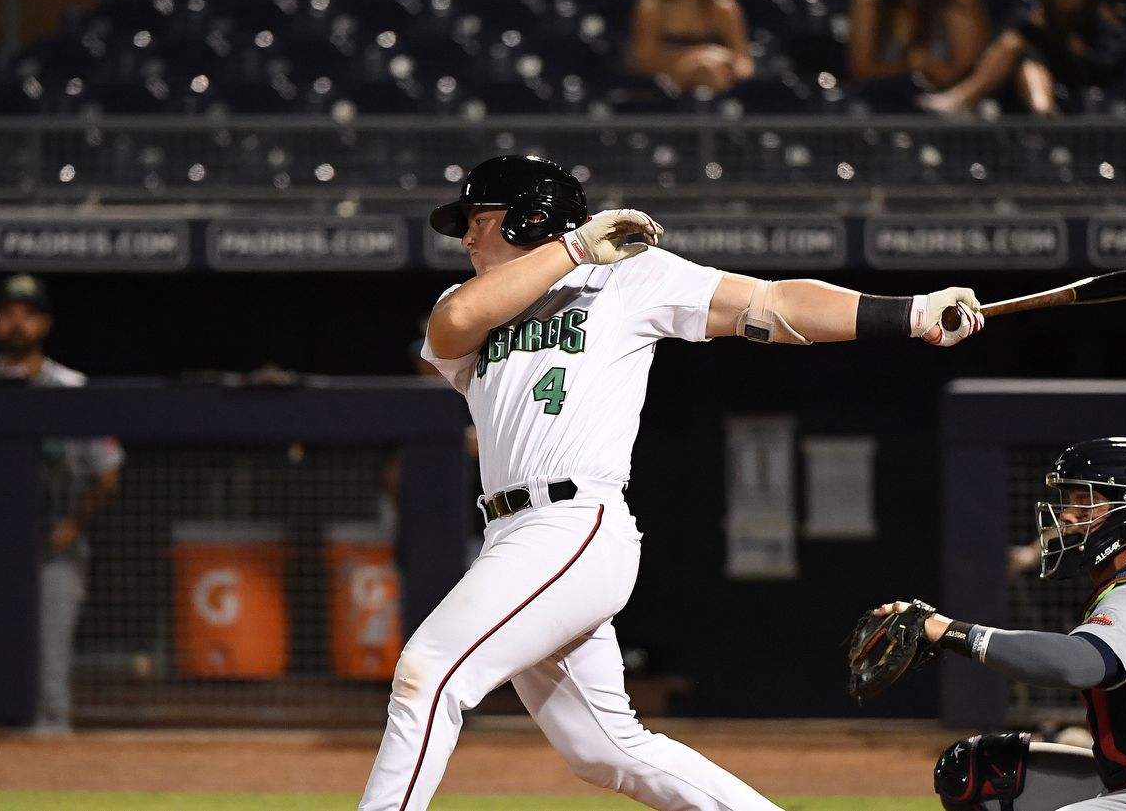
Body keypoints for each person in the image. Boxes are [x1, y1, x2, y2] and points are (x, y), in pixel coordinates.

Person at [357, 154, 985, 811]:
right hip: (512, 534)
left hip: (574, 523)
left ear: (529, 218)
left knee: (428, 673)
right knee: (608, 749)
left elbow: (772, 303)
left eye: (478, 219)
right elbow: (451, 324)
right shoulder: (469, 307)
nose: (465, 237)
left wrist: (910, 312)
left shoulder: (629, 277)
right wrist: (573, 247)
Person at [873, 437, 1126, 811]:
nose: (1067, 516)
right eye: (1068, 500)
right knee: (975, 772)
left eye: (1085, 501)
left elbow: (1076, 664)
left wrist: (950, 632)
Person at [0, 274, 124, 732]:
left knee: (50, 677)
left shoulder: (72, 387)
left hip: (53, 539)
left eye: (28, 314)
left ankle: (51, 758)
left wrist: (75, 522)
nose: (17, 323)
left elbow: (107, 472)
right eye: (8, 313)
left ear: (44, 324)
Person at [920, 0, 1126, 116]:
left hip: (1080, 100)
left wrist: (1072, 51)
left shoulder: (1105, 28)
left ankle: (963, 99)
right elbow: (1006, 43)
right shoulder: (1033, 16)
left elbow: (1103, 71)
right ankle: (1043, 114)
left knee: (1018, 45)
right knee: (1023, 51)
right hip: (1020, 100)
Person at [847, 0, 987, 106]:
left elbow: (963, 75)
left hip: (944, 104)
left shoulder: (956, 3)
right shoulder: (869, 1)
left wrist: (928, 66)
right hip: (881, 101)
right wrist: (909, 66)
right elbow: (861, 70)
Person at [629, 0, 754, 94]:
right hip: (667, 90)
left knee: (712, 72)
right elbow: (644, 62)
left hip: (719, 82)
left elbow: (744, 64)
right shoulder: (653, 7)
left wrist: (721, 61)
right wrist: (698, 59)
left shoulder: (725, 9)